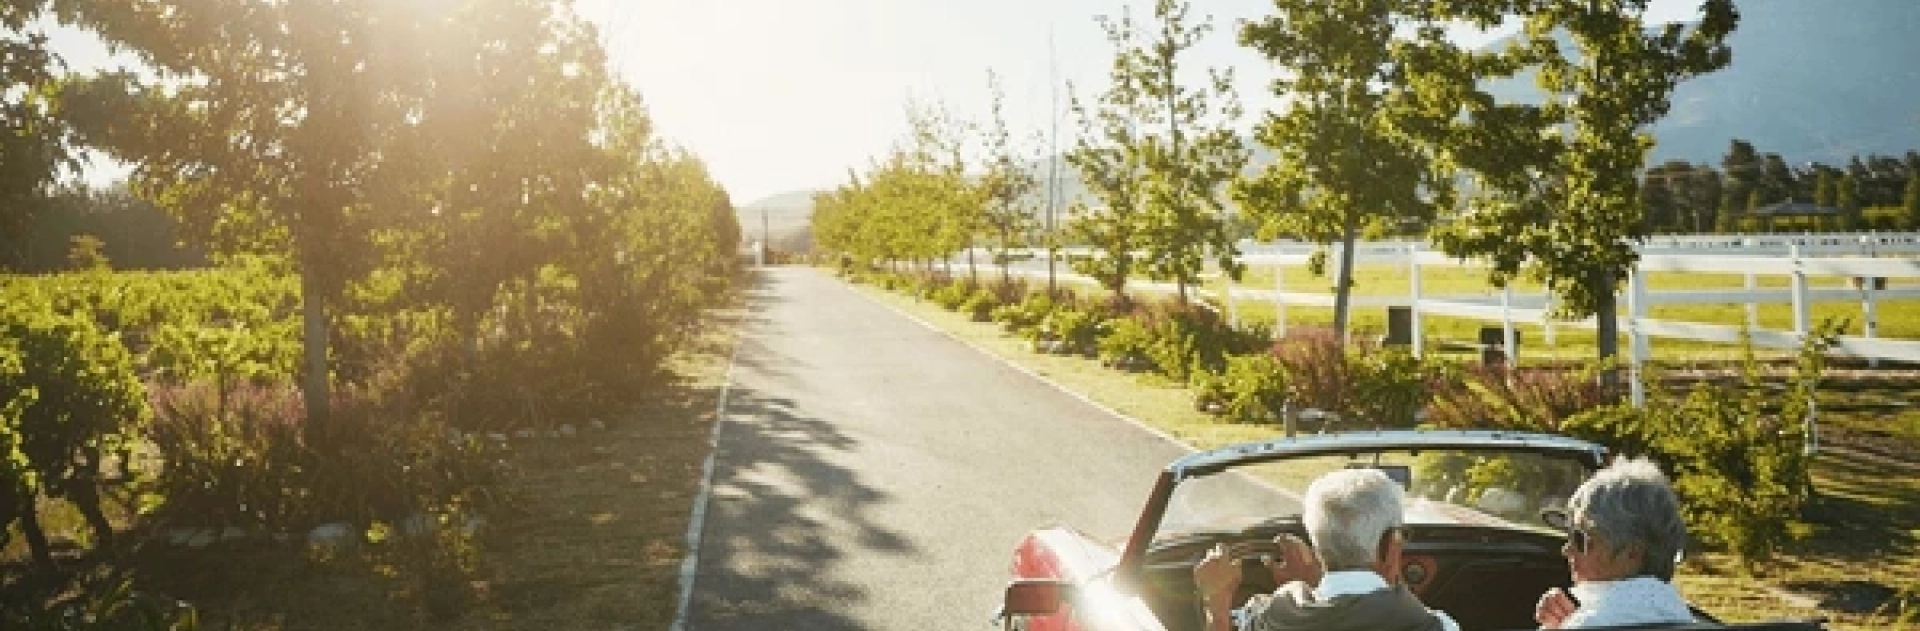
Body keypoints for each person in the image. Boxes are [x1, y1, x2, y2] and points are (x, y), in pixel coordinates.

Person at [1193, 468, 1459, 631]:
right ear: (1391, 547)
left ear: (1317, 542)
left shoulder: (1265, 618)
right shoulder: (1436, 627)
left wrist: (1217, 604)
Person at [1534, 457, 1695, 629]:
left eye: (1580, 539)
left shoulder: (1594, 623)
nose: (1567, 550)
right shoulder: (1675, 609)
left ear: (1632, 554)